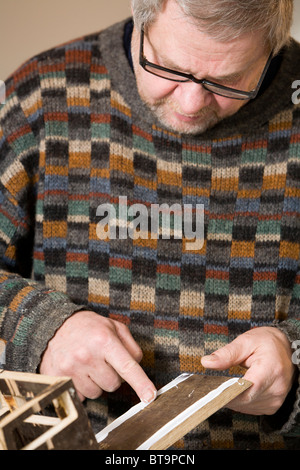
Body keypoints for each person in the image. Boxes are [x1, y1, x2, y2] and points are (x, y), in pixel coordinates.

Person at [0, 0, 299, 450]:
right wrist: (41, 328)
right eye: (170, 69)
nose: (192, 103)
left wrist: (294, 362)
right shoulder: (41, 95)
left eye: (230, 81)